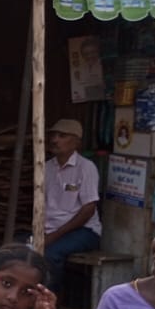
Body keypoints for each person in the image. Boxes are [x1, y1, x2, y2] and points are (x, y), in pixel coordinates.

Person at [42, 118, 102, 288]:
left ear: (76, 141)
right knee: (17, 249)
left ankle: (54, 305)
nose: (55, 140)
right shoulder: (46, 167)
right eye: (53, 135)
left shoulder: (86, 168)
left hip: (83, 231)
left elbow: (88, 210)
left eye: (62, 136)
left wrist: (55, 235)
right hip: (51, 229)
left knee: (51, 254)